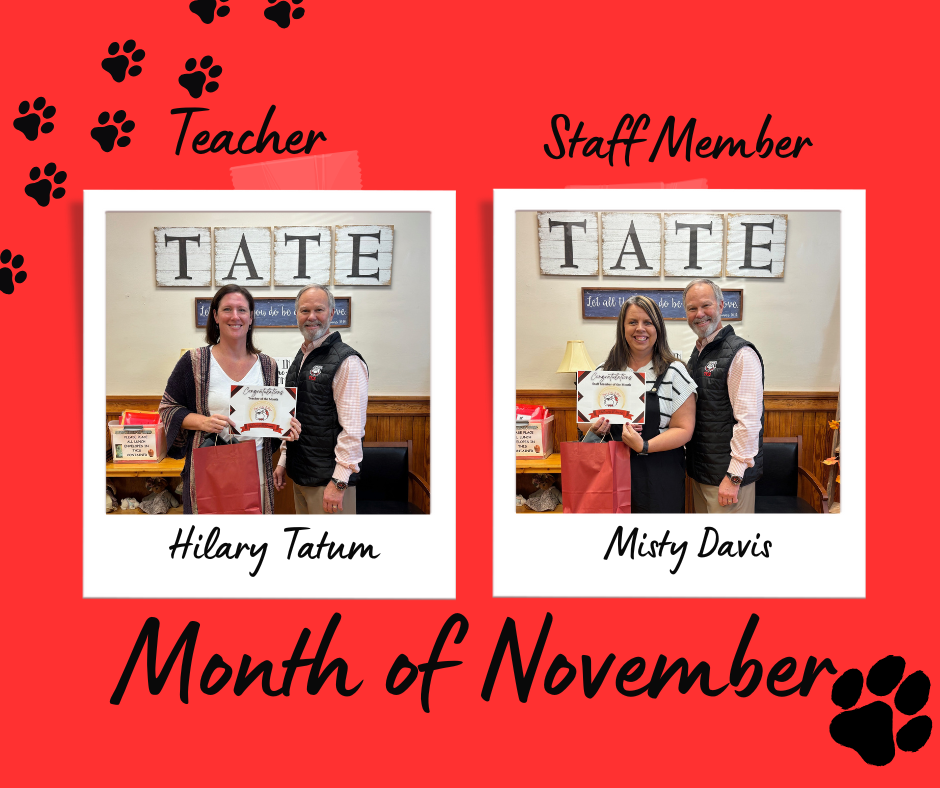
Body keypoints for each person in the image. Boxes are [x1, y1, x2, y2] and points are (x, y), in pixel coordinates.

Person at [159, 284, 300, 514]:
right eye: (227, 309)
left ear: (251, 317)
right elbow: (167, 408)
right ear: (215, 315)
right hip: (211, 465)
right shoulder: (194, 361)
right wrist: (202, 422)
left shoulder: (268, 366)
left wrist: (285, 427)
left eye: (242, 310)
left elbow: (271, 418)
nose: (235, 316)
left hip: (255, 465)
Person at [583, 295, 697, 513]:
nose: (640, 329)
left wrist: (643, 445)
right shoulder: (603, 373)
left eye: (648, 322)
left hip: (661, 476)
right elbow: (584, 423)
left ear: (658, 328)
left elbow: (684, 429)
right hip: (611, 473)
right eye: (633, 322)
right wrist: (596, 428)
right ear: (622, 328)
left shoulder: (675, 372)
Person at [274, 284, 369, 514]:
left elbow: (353, 431)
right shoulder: (302, 357)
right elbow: (294, 415)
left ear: (332, 313)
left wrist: (339, 483)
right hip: (301, 476)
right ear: (296, 314)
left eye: (319, 310)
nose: (312, 317)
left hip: (329, 484)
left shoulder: (347, 361)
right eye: (305, 311)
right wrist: (283, 460)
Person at [683, 278, 764, 513]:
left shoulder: (741, 354)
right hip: (703, 475)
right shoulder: (698, 354)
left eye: (706, 305)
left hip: (727, 481)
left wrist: (734, 477)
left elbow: (748, 422)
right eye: (692, 308)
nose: (699, 314)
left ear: (720, 306)